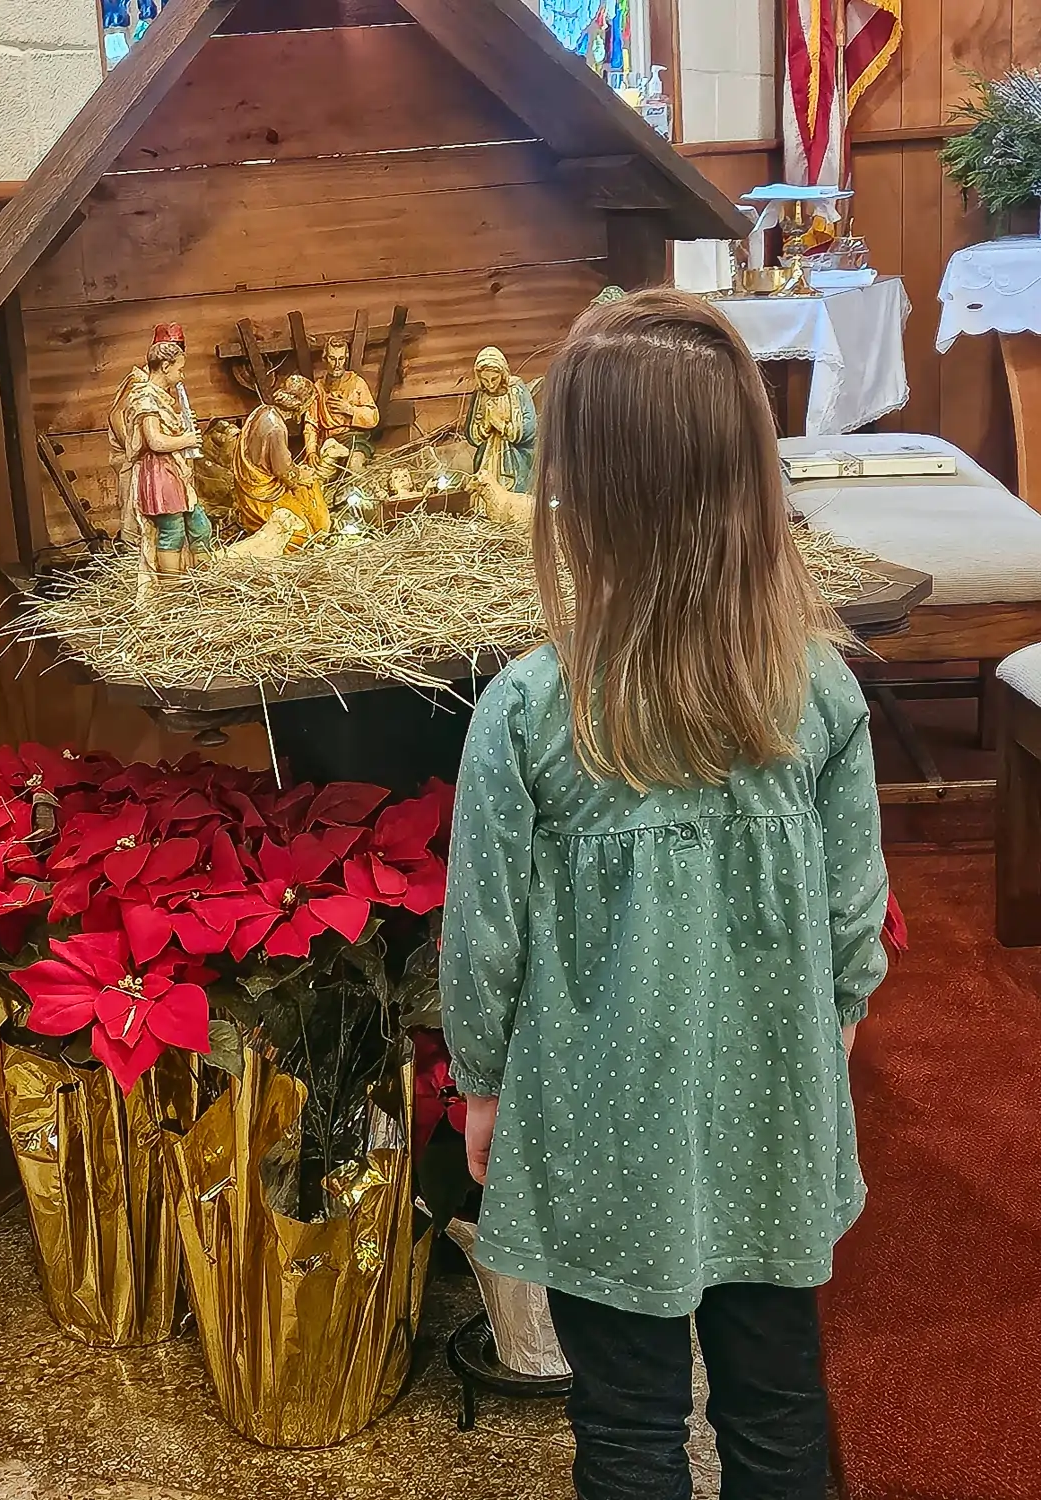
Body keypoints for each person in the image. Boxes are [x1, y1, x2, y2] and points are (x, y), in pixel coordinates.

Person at [440, 289, 889, 1500]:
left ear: (577, 489)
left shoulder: (527, 712)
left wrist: (481, 1083)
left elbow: (482, 937)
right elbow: (856, 919)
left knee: (626, 1426)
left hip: (600, 1130)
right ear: (750, 472)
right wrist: (831, 1028)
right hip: (772, 1121)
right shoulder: (822, 691)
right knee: (778, 1410)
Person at [109, 333, 210, 584]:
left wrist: (182, 426)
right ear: (165, 367)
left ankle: (205, 580)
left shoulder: (160, 397)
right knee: (172, 531)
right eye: (179, 370)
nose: (181, 376)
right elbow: (155, 441)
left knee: (200, 525)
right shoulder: (146, 399)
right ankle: (172, 588)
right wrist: (187, 439)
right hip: (159, 473)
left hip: (173, 470)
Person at [233, 374, 331, 549]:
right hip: (261, 496)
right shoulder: (276, 429)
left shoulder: (263, 411)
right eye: (308, 405)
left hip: (252, 484)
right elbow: (283, 471)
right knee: (302, 532)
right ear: (299, 405)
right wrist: (301, 475)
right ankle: (317, 531)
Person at [303, 335, 380, 477]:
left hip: (353, 440)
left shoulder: (357, 383)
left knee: (354, 466)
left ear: (346, 358)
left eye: (341, 359)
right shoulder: (318, 388)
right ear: (325, 359)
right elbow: (311, 423)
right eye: (332, 359)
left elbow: (373, 417)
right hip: (328, 443)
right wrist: (311, 451)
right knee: (313, 477)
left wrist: (349, 410)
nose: (337, 364)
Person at [465, 346, 537, 494]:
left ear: (502, 374)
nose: (490, 385)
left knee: (513, 494)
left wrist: (502, 426)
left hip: (515, 457)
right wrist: (485, 427)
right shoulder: (480, 395)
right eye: (485, 380)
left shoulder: (516, 390)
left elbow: (530, 426)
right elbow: (471, 432)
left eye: (494, 379)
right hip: (488, 457)